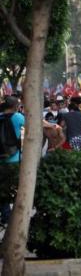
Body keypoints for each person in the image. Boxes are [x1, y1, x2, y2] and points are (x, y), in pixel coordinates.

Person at [0, 96, 24, 224]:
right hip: (14, 158)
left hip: (1, 158)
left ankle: (5, 215)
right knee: (16, 189)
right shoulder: (19, 117)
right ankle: (15, 217)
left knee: (2, 188)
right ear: (16, 106)